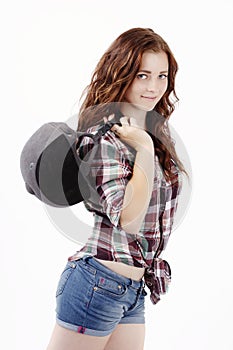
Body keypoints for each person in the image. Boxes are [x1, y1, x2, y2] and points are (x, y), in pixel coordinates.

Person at [46, 27, 188, 350]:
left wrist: (148, 146)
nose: (154, 87)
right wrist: (145, 151)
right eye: (143, 75)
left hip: (132, 290)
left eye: (162, 76)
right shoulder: (104, 139)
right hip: (96, 283)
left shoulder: (153, 136)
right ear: (122, 74)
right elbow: (130, 219)